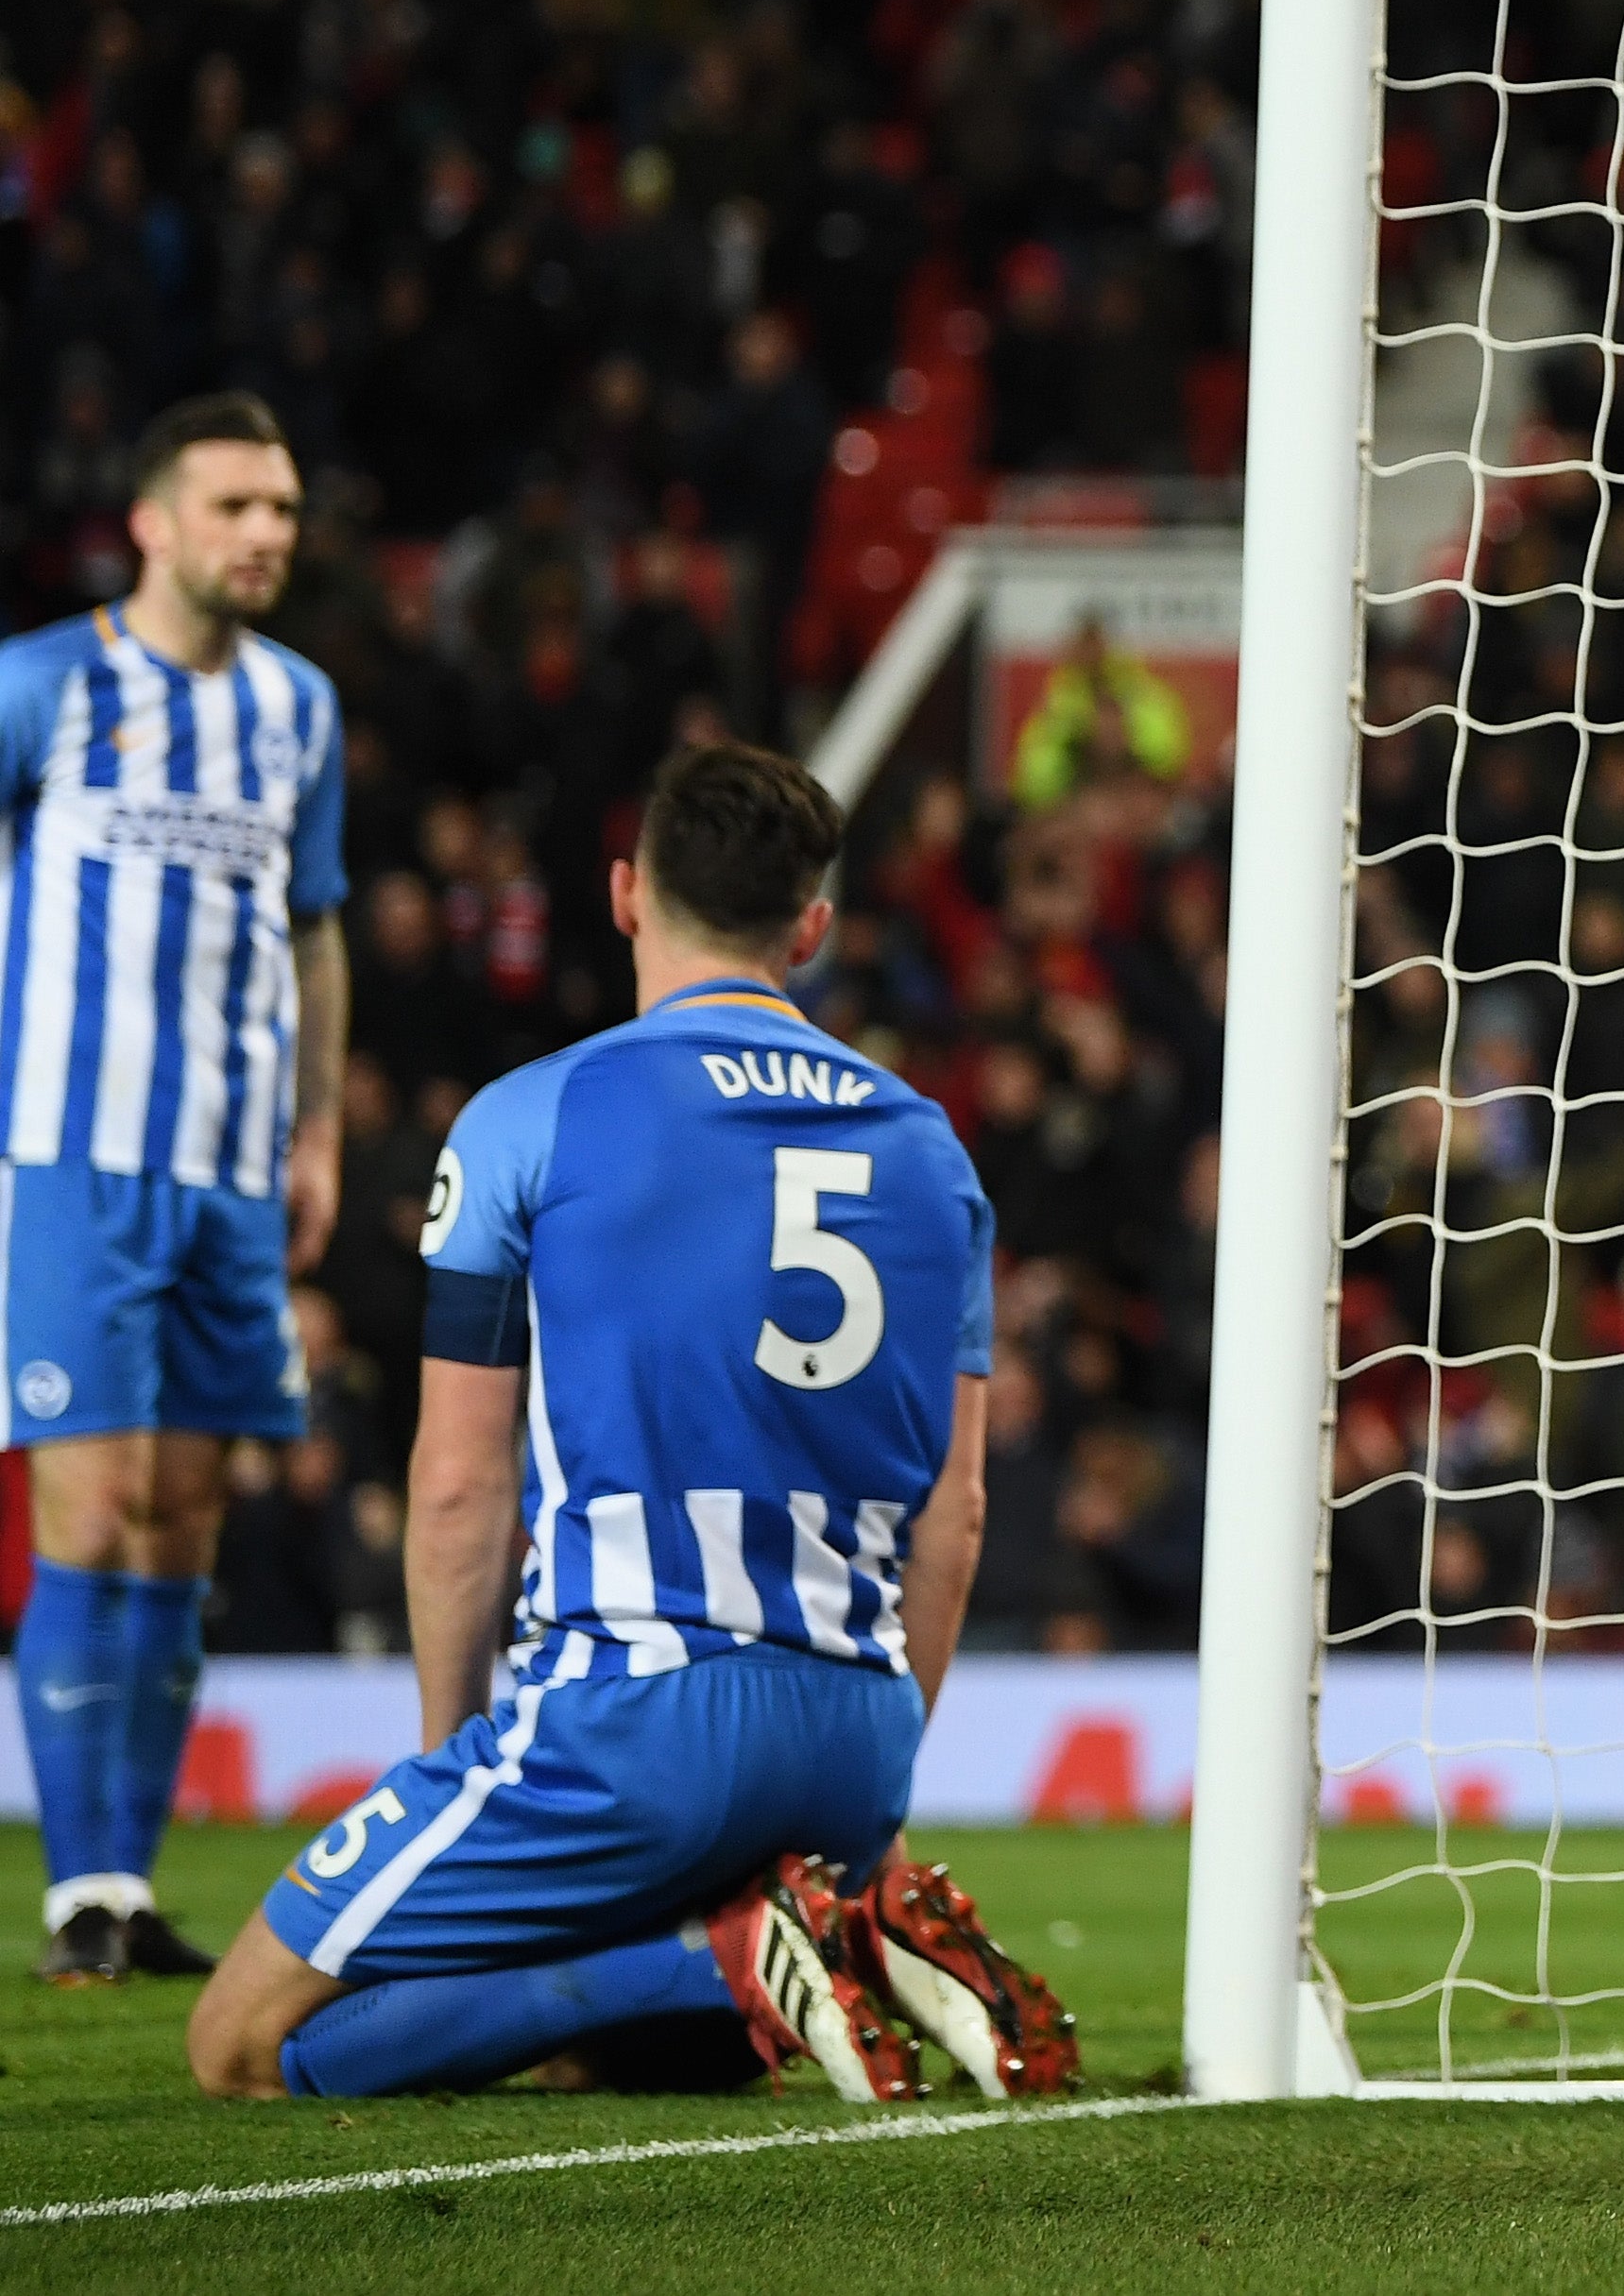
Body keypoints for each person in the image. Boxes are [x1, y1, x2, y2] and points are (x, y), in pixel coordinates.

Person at [181, 744, 1073, 2103]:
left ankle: (727, 1954)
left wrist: (448, 1751)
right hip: (851, 1737)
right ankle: (820, 1932)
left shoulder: (533, 1115)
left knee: (242, 2047)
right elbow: (957, 1510)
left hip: (628, 1722)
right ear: (813, 928)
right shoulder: (931, 1151)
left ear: (622, 894)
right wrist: (873, 1804)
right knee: (582, 2060)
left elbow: (462, 1485)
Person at [7, 395, 350, 1984]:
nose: (265, 532)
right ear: (153, 521)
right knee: (93, 1502)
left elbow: (314, 925)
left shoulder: (299, 708)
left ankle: (128, 1889)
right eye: (233, 505)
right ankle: (81, 1891)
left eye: (279, 506)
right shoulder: (43, 684)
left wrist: (319, 1131)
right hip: (72, 1157)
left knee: (183, 1528)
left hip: (229, 1176)